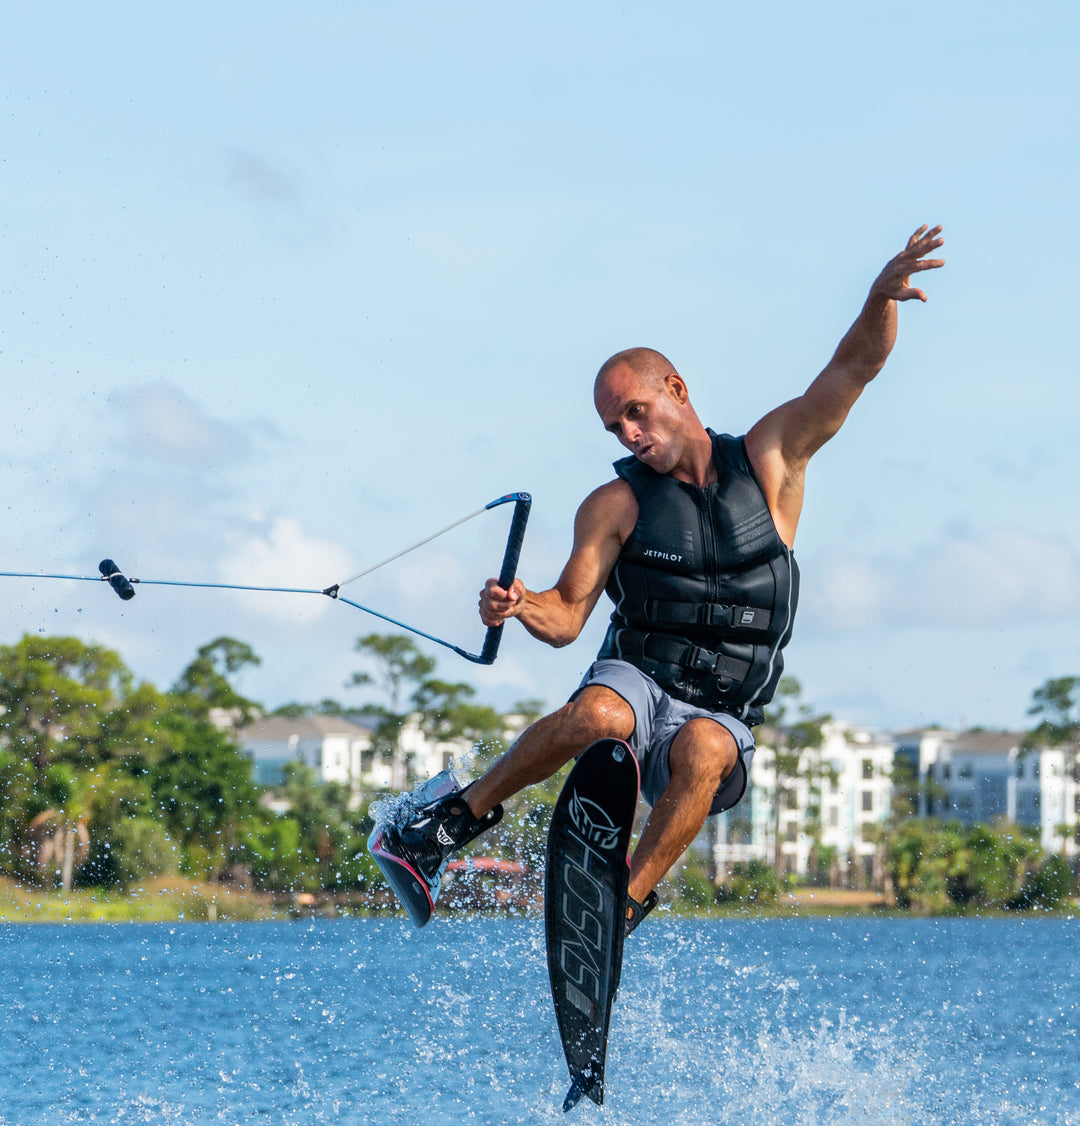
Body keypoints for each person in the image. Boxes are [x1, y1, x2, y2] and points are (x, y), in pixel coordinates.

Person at [385, 225, 945, 931]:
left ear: (676, 390)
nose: (628, 434)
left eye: (635, 413)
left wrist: (879, 298)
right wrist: (519, 603)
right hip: (638, 679)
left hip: (720, 711)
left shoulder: (770, 461)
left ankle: (622, 906)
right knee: (598, 716)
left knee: (707, 750)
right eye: (614, 427)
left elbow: (852, 369)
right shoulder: (614, 504)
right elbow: (565, 620)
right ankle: (446, 825)